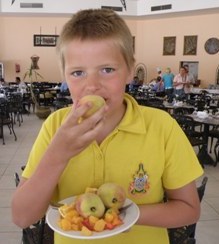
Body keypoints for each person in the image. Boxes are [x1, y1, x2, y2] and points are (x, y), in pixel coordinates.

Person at [11, 9, 203, 244]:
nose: (92, 86)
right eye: (78, 72)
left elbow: (189, 208)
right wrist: (58, 153)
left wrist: (126, 215)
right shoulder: (55, 127)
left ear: (130, 71)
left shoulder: (161, 127)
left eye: (107, 70)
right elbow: (22, 217)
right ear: (64, 76)